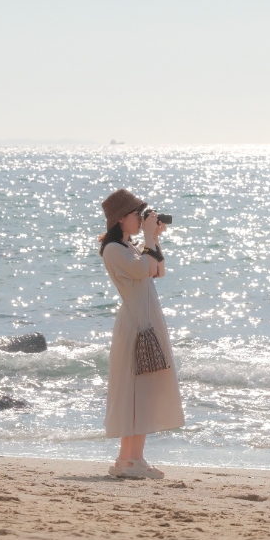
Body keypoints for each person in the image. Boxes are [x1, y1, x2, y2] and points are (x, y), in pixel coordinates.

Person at [98, 188, 184, 480]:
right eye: (137, 214)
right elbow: (143, 270)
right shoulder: (113, 250)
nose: (141, 218)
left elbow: (158, 270)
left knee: (142, 392)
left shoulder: (130, 246)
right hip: (136, 326)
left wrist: (154, 238)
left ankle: (128, 459)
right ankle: (133, 459)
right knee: (136, 392)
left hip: (146, 322)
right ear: (121, 219)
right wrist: (148, 238)